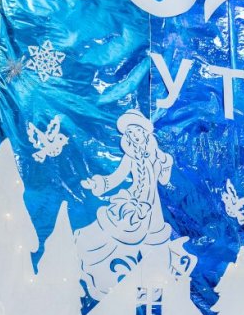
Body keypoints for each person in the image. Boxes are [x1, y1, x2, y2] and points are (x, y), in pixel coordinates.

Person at [75, 110, 176, 297]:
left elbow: (163, 180)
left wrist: (166, 164)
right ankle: (113, 283)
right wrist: (97, 184)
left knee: (156, 242)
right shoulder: (130, 157)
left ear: (144, 132)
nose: (134, 135)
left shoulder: (157, 156)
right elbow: (116, 178)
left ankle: (155, 288)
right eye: (130, 133)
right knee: (117, 239)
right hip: (132, 204)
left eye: (136, 131)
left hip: (151, 206)